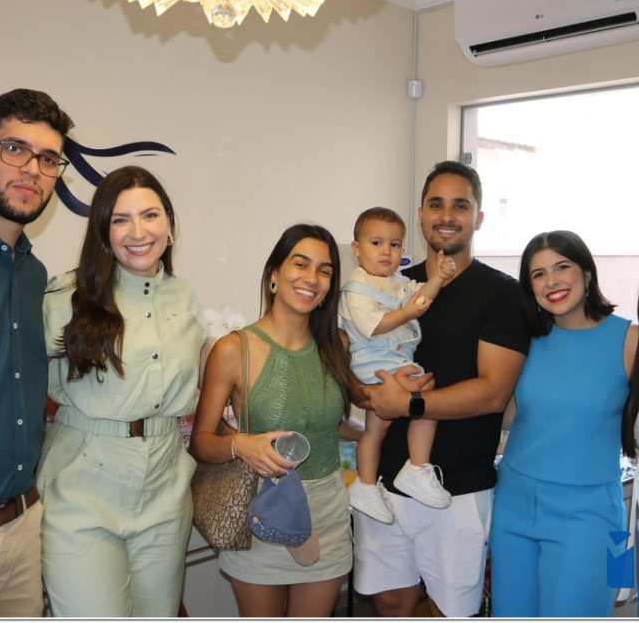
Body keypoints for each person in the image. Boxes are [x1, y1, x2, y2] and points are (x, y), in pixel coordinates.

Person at [353, 160, 530, 617]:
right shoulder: (391, 285)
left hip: (459, 486)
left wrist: (410, 403)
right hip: (384, 481)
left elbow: (493, 392)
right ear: (420, 214)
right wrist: (362, 391)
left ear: (478, 218)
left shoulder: (501, 294)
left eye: (460, 206)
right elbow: (352, 354)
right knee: (389, 599)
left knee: (448, 609)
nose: (446, 215)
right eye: (436, 204)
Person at [36, 166, 209, 617]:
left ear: (169, 223)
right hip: (83, 489)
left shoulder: (185, 297)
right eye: (120, 219)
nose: (138, 231)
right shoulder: (66, 297)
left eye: (150, 215)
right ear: (103, 231)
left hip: (165, 490)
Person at [189, 223, 353, 617]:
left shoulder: (337, 345)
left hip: (328, 509)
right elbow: (201, 442)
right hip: (262, 509)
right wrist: (240, 445)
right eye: (301, 264)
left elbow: (328, 424)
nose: (312, 278)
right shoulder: (234, 349)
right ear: (274, 273)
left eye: (325, 270)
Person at [490, 230, 639, 617]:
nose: (551, 282)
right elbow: (505, 413)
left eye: (562, 267)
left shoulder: (629, 340)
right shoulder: (525, 340)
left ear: (587, 273)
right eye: (538, 274)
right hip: (512, 504)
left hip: (590, 515)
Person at [0, 88, 74, 617]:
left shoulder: (34, 274)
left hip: (22, 526)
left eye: (48, 158)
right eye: (14, 148)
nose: (32, 169)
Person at [341, 207, 455, 523]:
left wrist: (437, 278)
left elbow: (421, 299)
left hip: (391, 360)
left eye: (394, 245)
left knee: (376, 428)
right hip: (373, 362)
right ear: (357, 249)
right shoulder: (357, 285)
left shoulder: (397, 282)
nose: (386, 251)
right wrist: (406, 313)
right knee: (425, 394)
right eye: (376, 243)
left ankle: (366, 484)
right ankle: (416, 467)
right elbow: (373, 325)